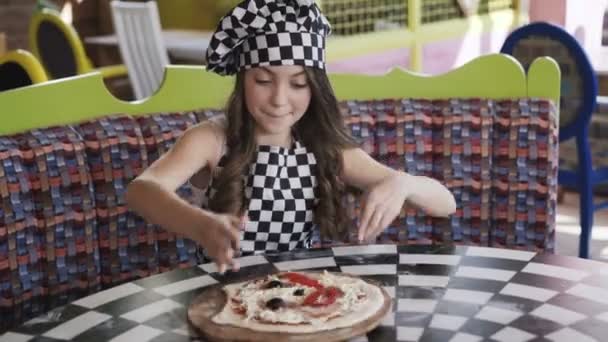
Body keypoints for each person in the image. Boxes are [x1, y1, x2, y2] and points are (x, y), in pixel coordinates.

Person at [126, 0, 456, 273]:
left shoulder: (322, 147)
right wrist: (200, 224)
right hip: (221, 296)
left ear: (315, 89)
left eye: (298, 84)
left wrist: (402, 182)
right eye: (263, 81)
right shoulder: (212, 139)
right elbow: (141, 191)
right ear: (243, 81)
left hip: (299, 297)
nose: (279, 100)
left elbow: (446, 203)